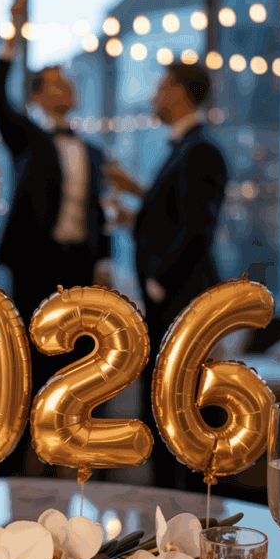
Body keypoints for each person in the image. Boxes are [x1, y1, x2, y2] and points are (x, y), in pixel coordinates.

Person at [105, 61, 228, 489]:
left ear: (178, 91)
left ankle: (184, 522)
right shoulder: (186, 148)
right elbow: (175, 213)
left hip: (182, 303)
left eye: (160, 86)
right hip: (173, 301)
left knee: (181, 414)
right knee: (168, 409)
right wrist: (139, 207)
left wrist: (157, 284)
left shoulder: (201, 150)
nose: (155, 95)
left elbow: (197, 229)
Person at [0, 0, 112, 345]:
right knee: (34, 350)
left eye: (67, 80)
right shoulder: (27, 138)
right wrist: (12, 33)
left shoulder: (91, 150)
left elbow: (98, 209)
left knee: (81, 352)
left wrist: (104, 260)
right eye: (57, 81)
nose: (68, 86)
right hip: (34, 263)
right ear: (38, 97)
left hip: (81, 264)